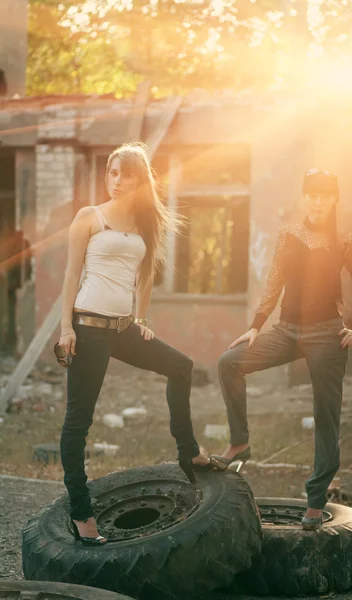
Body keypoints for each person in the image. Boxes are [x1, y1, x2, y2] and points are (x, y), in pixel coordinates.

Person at [58, 142, 210, 545]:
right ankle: (81, 511)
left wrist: (142, 321)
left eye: (124, 173)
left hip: (123, 329)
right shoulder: (89, 218)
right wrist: (65, 330)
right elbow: (71, 276)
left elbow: (144, 277)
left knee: (181, 366)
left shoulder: (145, 224)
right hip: (88, 329)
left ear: (139, 179)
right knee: (79, 422)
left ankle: (188, 450)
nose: (116, 180)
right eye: (111, 172)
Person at [210, 168, 352, 530]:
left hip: (327, 335)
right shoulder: (289, 234)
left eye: (324, 195)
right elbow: (274, 282)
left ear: (334, 199)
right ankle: (239, 443)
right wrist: (255, 326)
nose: (317, 201)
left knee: (326, 418)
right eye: (311, 194)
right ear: (304, 197)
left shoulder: (344, 240)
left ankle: (316, 499)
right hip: (286, 331)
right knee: (229, 362)